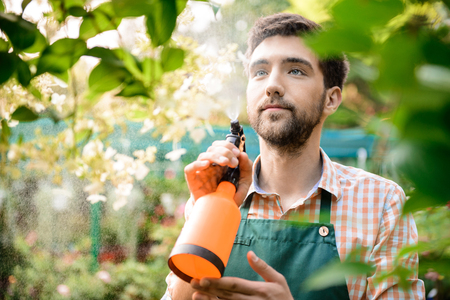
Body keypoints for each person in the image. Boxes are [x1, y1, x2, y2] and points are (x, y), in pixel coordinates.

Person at [162, 13, 425, 300]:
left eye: (295, 71)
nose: (271, 85)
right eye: (260, 72)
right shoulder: (216, 197)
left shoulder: (382, 202)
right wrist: (207, 208)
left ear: (331, 98)